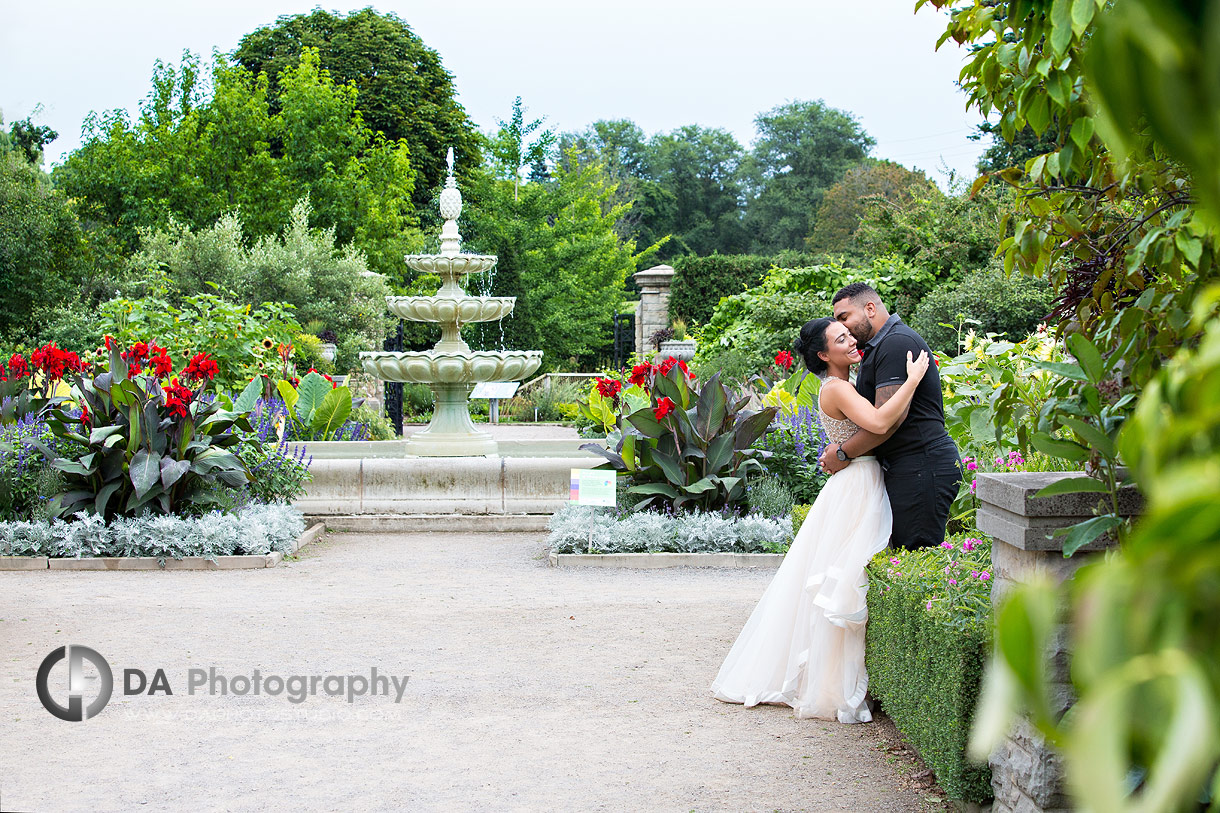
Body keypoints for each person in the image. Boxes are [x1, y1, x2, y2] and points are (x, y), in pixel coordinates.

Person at [711, 317, 929, 723]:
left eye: (848, 334)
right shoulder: (838, 388)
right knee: (845, 580)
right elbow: (881, 423)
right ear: (824, 355)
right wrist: (913, 378)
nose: (851, 341)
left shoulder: (844, 384)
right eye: (840, 339)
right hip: (857, 484)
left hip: (855, 480)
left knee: (840, 580)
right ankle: (829, 684)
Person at [818, 283, 962, 550]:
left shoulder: (896, 344)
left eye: (845, 317)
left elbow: (888, 421)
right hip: (909, 465)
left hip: (921, 462)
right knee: (904, 555)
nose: (844, 328)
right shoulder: (878, 347)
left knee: (917, 555)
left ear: (870, 308)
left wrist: (842, 453)